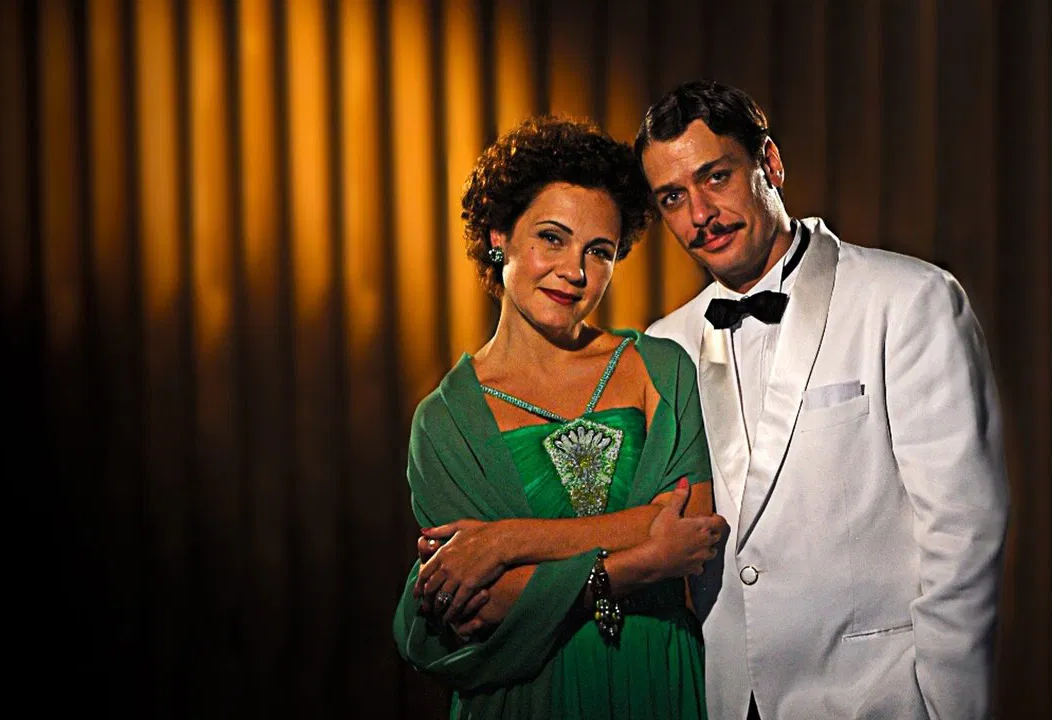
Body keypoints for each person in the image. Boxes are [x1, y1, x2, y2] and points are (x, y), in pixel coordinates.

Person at [636, 80, 1009, 720]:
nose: (700, 214)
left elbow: (965, 532)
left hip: (880, 699)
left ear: (770, 163)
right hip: (726, 701)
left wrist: (953, 709)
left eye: (716, 177)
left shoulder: (908, 299)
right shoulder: (665, 344)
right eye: (674, 197)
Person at [392, 116, 729, 719]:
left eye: (599, 251)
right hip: (526, 697)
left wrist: (508, 540)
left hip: (656, 678)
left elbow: (691, 526)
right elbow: (479, 603)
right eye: (552, 238)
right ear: (499, 235)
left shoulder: (660, 368)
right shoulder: (444, 423)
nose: (575, 272)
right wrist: (640, 562)